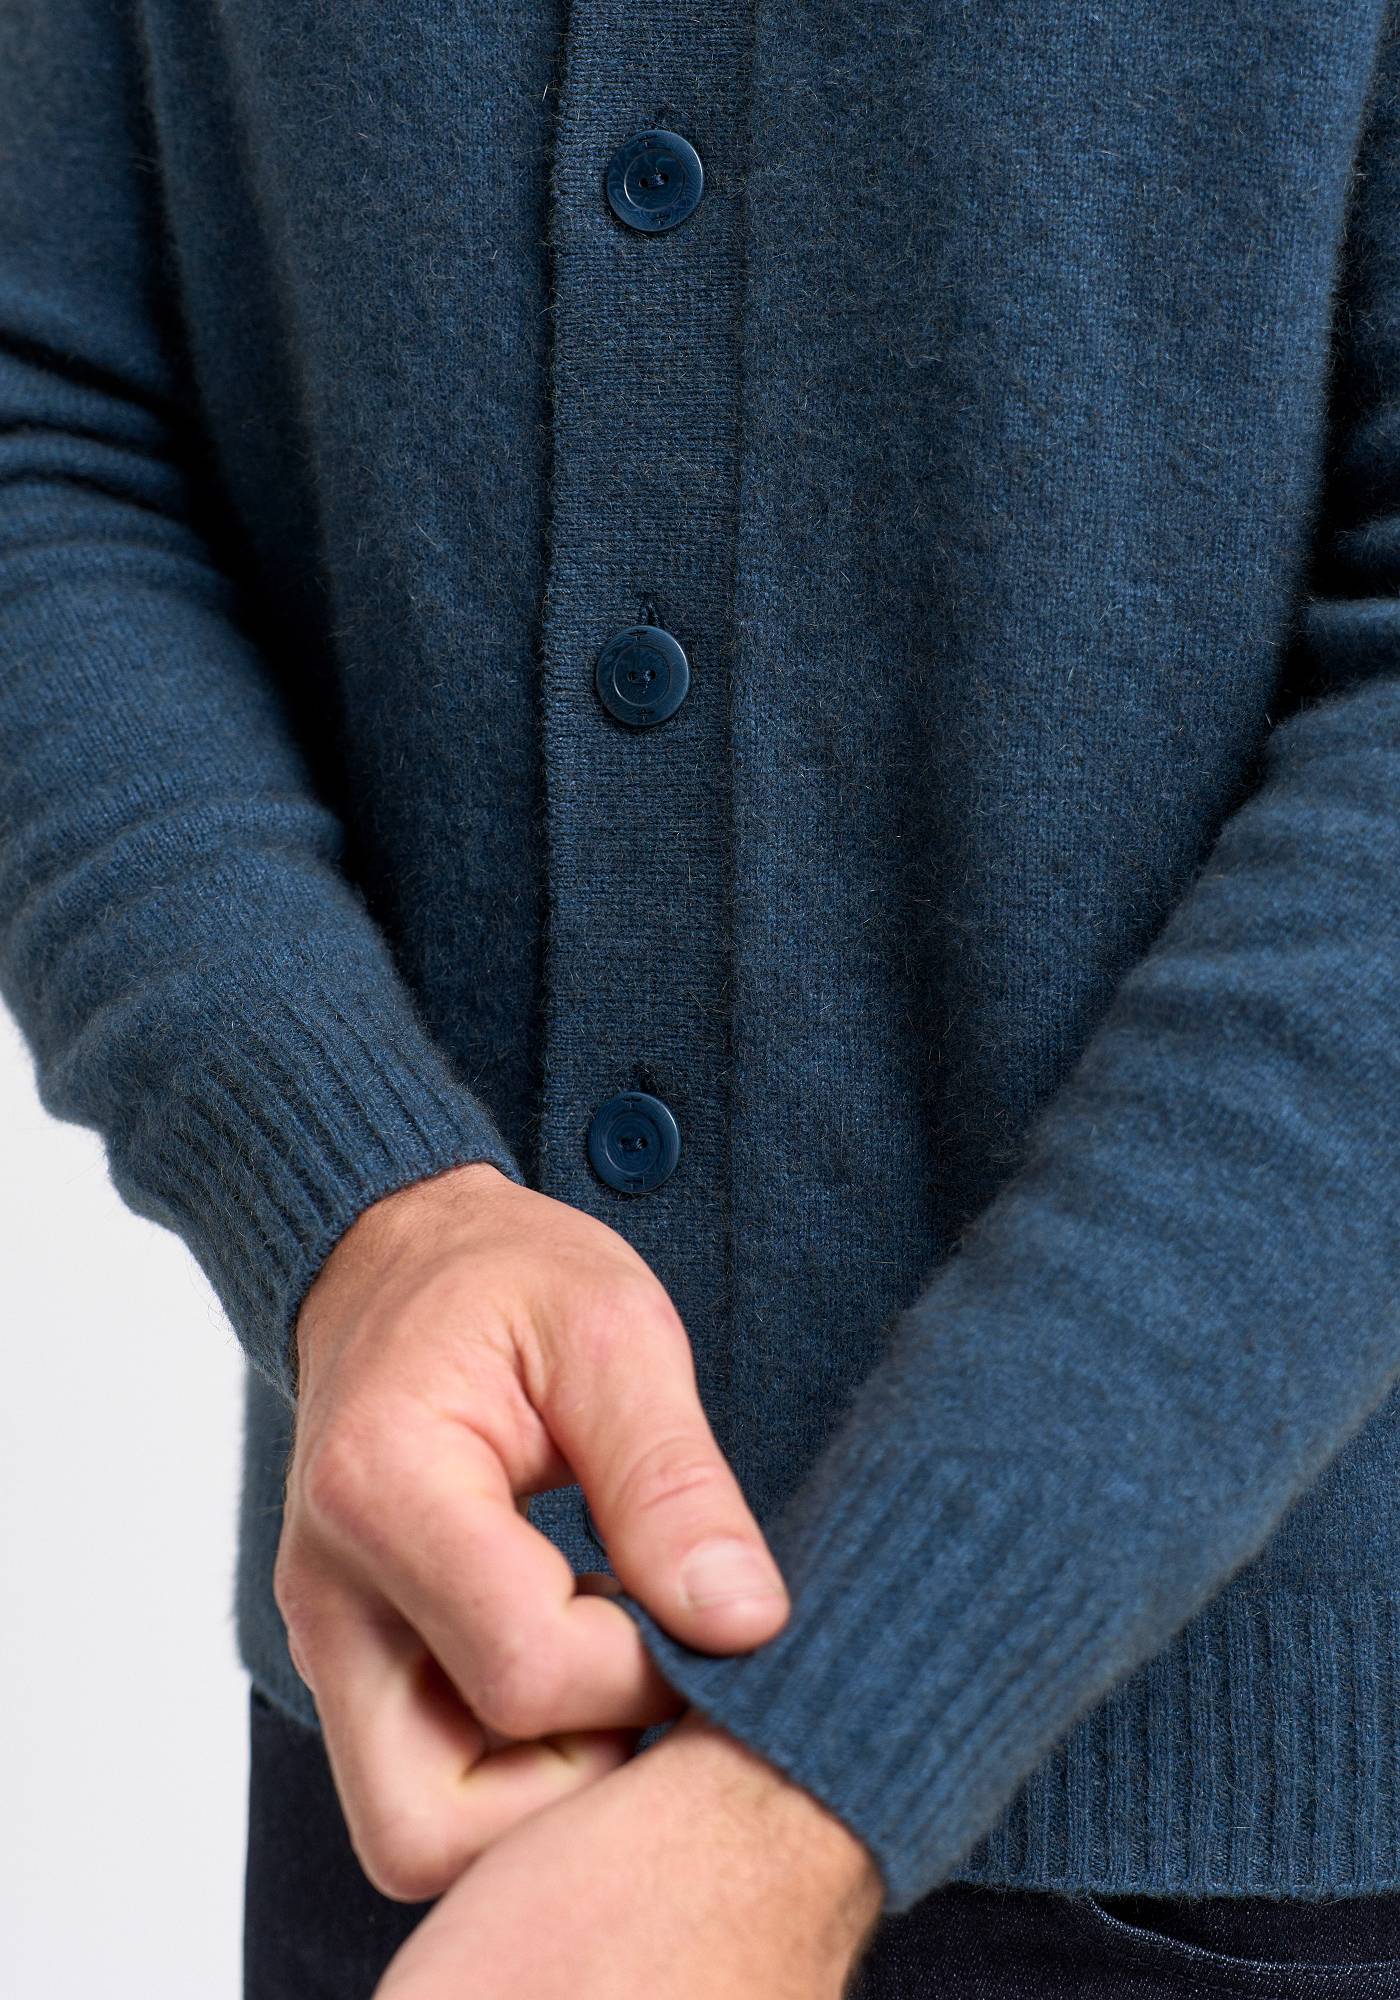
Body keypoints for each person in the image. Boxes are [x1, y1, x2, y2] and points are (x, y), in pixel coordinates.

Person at [4, 0, 1400, 1993]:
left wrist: (847, 1735)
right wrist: (355, 1205)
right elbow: (47, 413)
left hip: (1234, 1846)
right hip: (437, 1745)